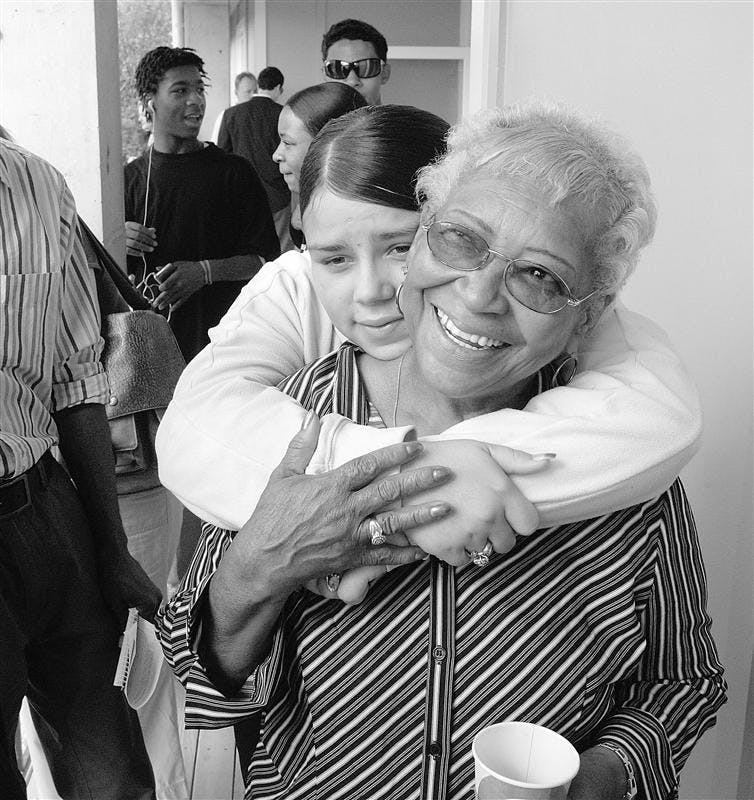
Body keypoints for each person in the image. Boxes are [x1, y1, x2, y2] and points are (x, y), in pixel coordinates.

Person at [158, 103, 725, 799]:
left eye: (541, 275)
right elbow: (199, 670)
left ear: (590, 314)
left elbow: (683, 679)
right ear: (423, 235)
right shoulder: (292, 420)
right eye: (461, 239)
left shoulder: (625, 462)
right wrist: (260, 569)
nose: (481, 295)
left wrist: (607, 775)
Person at [0, 138, 158, 799]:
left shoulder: (35, 184)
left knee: (112, 768)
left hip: (47, 507)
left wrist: (112, 547)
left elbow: (75, 380)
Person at [124, 45, 280, 362]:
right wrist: (117, 241)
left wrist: (205, 272)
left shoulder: (234, 173)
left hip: (225, 348)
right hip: (151, 357)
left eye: (199, 89)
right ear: (148, 103)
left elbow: (266, 262)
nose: (195, 100)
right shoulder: (129, 181)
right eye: (180, 91)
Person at [272, 82, 366, 246]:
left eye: (287, 143)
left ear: (329, 146)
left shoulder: (363, 226)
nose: (276, 155)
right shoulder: (304, 210)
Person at [219, 67, 293, 253]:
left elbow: (222, 156)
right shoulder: (283, 113)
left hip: (241, 195)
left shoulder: (231, 114)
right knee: (281, 252)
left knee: (248, 250)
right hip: (278, 195)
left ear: (259, 85)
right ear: (278, 87)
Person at [321, 18, 390, 105]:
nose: (352, 81)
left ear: (385, 73)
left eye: (365, 68)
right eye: (338, 68)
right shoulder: (303, 117)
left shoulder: (407, 118)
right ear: (325, 74)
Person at [209, 71, 258, 144]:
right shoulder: (226, 116)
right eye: (248, 92)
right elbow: (217, 145)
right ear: (236, 92)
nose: (253, 95)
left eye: (255, 91)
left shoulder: (261, 115)